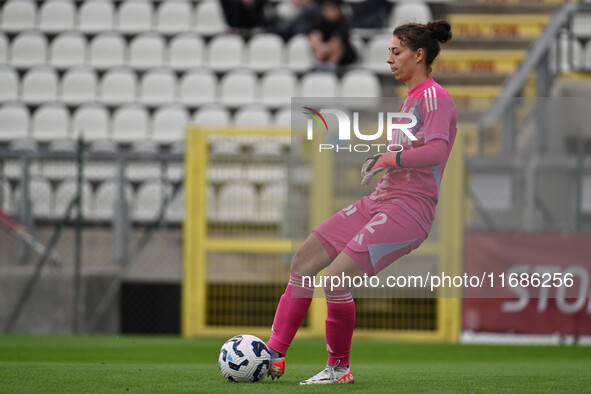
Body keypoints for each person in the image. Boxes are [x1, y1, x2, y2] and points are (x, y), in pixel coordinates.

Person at [266, 20, 456, 384]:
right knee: (304, 260)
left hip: (408, 210)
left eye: (395, 52)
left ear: (419, 55)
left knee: (335, 280)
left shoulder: (435, 97)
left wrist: (387, 159)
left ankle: (339, 369)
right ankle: (274, 355)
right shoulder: (413, 98)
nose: (388, 59)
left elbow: (434, 152)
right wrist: (385, 161)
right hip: (381, 200)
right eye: (389, 52)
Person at [308, 0, 357, 70]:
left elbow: (338, 39)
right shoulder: (321, 21)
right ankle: (318, 65)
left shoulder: (343, 22)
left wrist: (325, 49)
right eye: (327, 9)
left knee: (338, 46)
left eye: (332, 9)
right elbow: (314, 35)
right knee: (314, 39)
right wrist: (320, 47)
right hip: (322, 53)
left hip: (344, 57)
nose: (329, 12)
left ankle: (330, 67)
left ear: (338, 10)